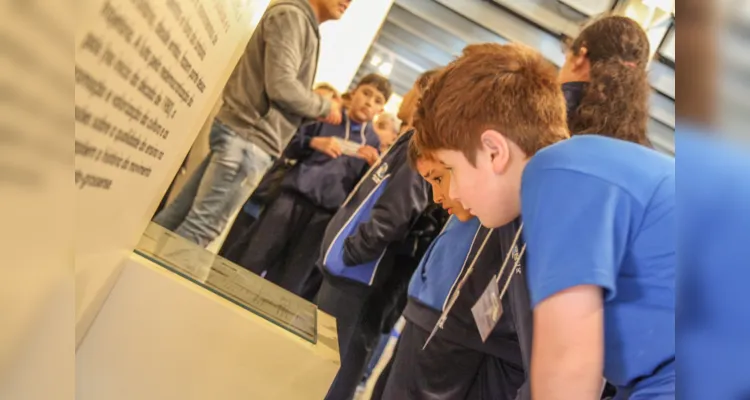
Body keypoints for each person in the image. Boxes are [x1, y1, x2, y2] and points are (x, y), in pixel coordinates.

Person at [414, 42, 675, 399]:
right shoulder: (568, 176)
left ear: (494, 151)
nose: (453, 193)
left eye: (451, 170)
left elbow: (570, 372)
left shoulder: (562, 178)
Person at [153, 0, 348, 246]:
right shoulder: (293, 17)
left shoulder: (299, 20)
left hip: (245, 137)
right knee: (201, 228)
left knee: (179, 217)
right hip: (249, 139)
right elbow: (282, 87)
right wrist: (323, 106)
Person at [315, 69, 439, 400]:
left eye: (412, 89)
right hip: (354, 273)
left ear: (423, 94)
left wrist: (352, 252)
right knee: (332, 358)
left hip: (357, 277)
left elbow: (396, 213)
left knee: (335, 362)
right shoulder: (411, 141)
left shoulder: (420, 145)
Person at [375, 140, 528, 400]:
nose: (437, 196)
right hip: (434, 315)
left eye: (438, 178)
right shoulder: (471, 209)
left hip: (470, 332)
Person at [230, 74, 391, 297]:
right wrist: (313, 142)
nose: (369, 102)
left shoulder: (373, 142)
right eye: (366, 93)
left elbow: (361, 193)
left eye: (377, 100)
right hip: (290, 200)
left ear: (380, 110)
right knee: (253, 259)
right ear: (354, 92)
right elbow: (288, 145)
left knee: (289, 283)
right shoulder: (327, 116)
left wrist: (372, 170)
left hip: (323, 218)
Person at [218, 83, 340, 258]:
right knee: (233, 241)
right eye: (316, 99)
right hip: (257, 192)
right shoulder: (287, 127)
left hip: (276, 201)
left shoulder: (323, 139)